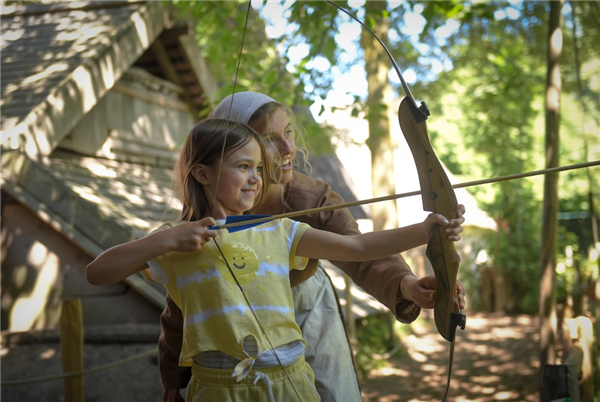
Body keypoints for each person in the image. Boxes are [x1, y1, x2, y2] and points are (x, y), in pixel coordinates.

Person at [86, 118, 465, 402]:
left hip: (290, 383)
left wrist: (426, 229)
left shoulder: (279, 231)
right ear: (202, 172)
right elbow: (97, 272)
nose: (255, 179)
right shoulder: (177, 243)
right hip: (218, 389)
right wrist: (168, 238)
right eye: (242, 167)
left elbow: (358, 248)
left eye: (258, 169)